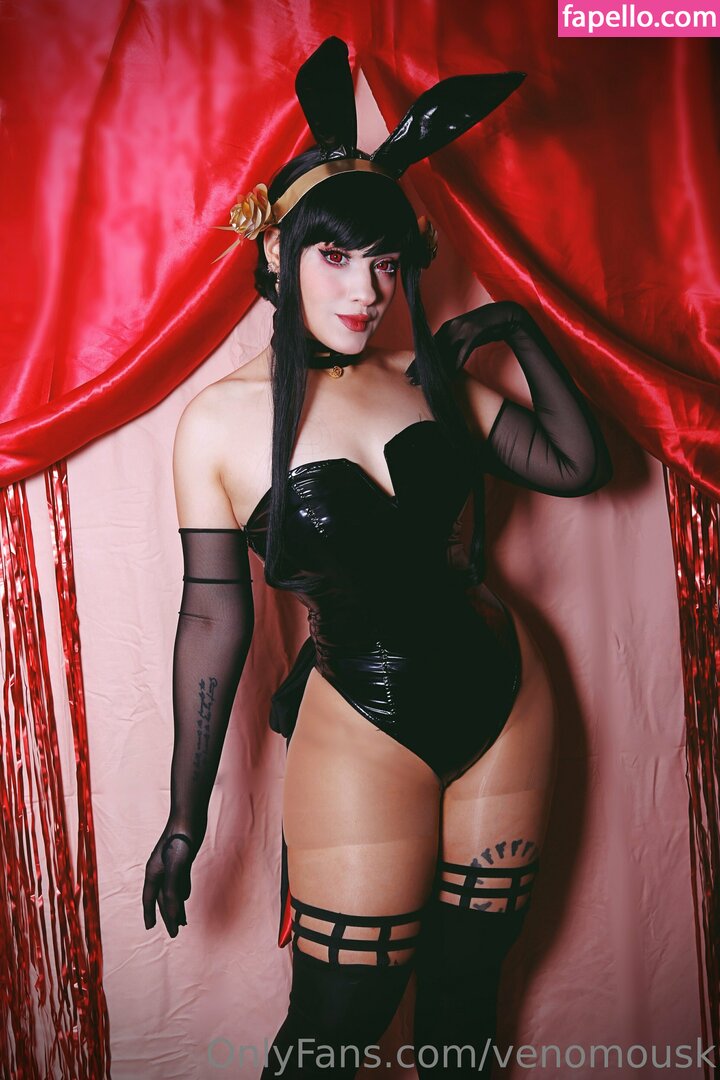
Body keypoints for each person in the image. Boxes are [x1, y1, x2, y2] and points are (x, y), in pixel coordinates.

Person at [142, 37, 612, 1079]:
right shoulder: (219, 424)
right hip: (361, 721)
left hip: (509, 702)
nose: (367, 290)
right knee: (338, 1025)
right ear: (277, 254)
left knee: (466, 1003)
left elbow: (580, 466)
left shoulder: (425, 378)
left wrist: (516, 327)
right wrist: (184, 817)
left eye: (387, 262)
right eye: (337, 258)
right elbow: (212, 617)